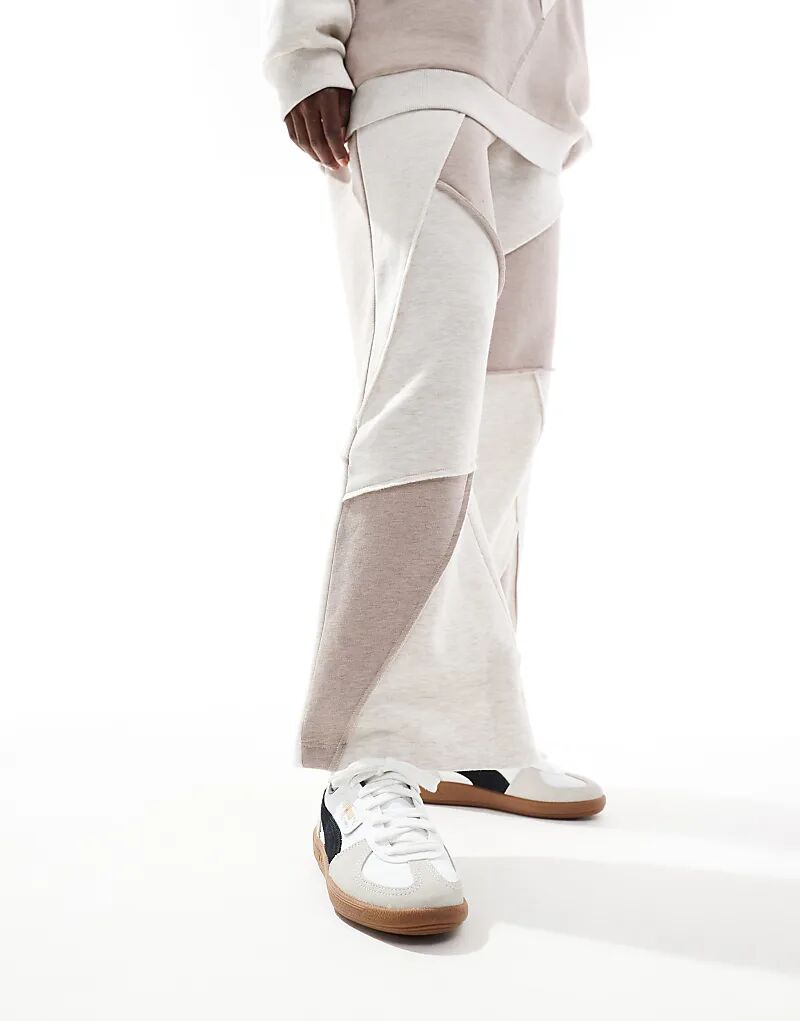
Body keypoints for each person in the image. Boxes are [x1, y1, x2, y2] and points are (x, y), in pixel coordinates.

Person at [263, 0, 603, 936]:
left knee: (507, 415)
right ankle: (367, 758)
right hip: (415, 74)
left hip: (535, 100)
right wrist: (304, 49)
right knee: (422, 414)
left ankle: (466, 734)